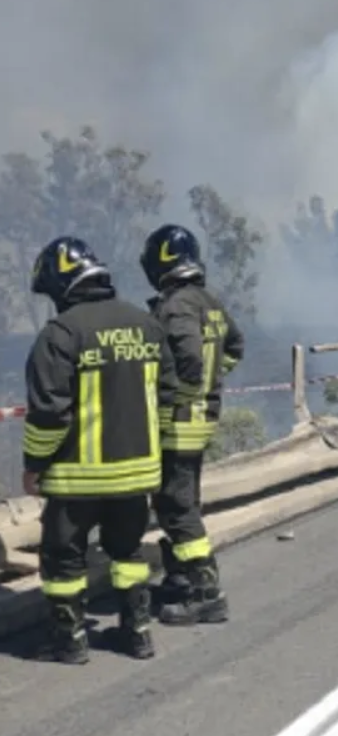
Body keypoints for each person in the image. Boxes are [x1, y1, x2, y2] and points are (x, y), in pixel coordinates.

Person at [23, 236, 178, 664]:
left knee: (62, 560)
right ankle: (138, 632)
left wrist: (34, 466)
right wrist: (157, 458)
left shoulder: (61, 334)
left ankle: (69, 640)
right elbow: (169, 398)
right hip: (137, 476)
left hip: (77, 480)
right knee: (128, 554)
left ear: (62, 285)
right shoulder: (146, 325)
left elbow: (50, 414)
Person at [140, 224, 245, 626]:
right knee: (182, 502)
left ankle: (205, 591)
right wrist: (211, 383)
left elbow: (188, 360)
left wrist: (173, 395)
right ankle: (181, 576)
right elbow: (234, 346)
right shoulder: (209, 302)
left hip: (178, 423)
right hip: (200, 421)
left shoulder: (177, 305)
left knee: (176, 506)